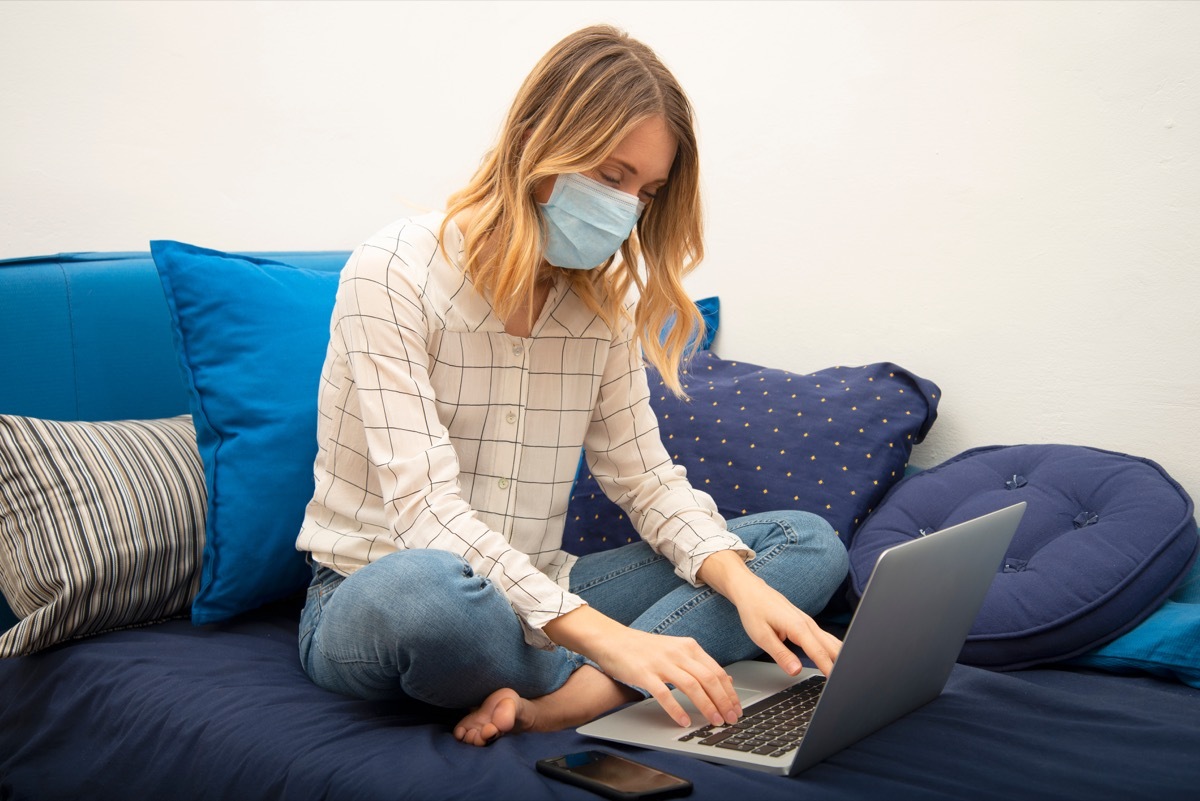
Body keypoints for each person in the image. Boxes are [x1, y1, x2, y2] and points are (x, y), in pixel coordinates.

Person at [295, 24, 849, 748]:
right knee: (427, 595)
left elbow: (646, 480)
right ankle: (615, 668)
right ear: (537, 138)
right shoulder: (392, 270)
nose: (626, 210)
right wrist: (619, 640)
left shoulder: (600, 312)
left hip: (543, 588)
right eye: (613, 175)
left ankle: (565, 697)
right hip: (378, 589)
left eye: (646, 192)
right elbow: (425, 511)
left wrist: (741, 588)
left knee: (801, 543)